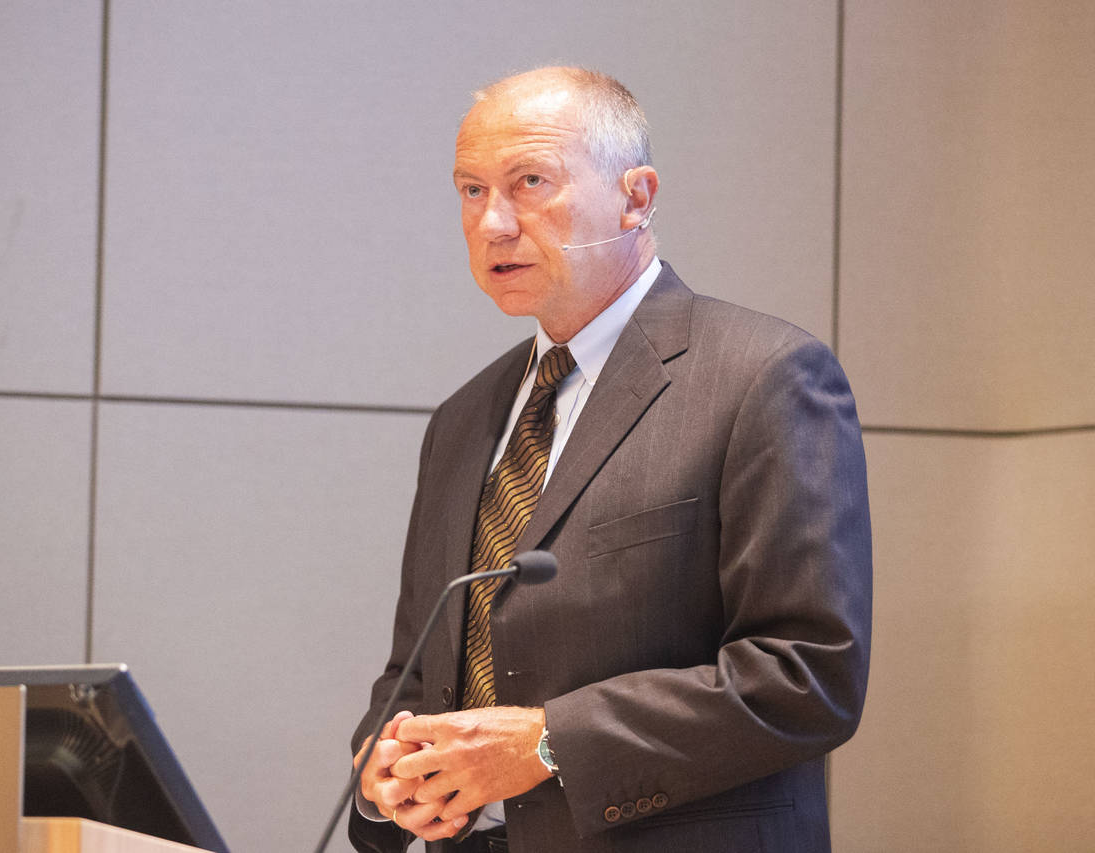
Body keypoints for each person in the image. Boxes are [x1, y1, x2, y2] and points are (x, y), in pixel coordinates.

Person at [349, 66, 871, 853]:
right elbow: (415, 671)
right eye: (470, 190)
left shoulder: (763, 376)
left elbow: (806, 676)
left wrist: (551, 741)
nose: (493, 223)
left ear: (637, 196)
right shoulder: (463, 420)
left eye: (529, 182)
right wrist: (383, 774)